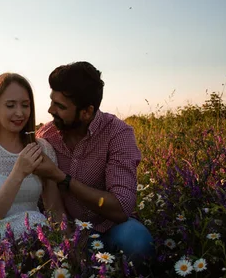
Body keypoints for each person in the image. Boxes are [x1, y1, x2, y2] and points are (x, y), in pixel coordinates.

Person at [32, 61, 154, 261]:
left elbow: (121, 208)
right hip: (64, 229)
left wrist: (63, 179)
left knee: (137, 241)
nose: (50, 109)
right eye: (52, 101)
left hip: (109, 229)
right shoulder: (47, 135)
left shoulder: (118, 134)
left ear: (86, 112)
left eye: (60, 106)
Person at [0, 73, 65, 242]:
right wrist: (19, 172)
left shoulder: (43, 148)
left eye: (25, 105)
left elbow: (54, 209)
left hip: (34, 235)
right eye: (10, 105)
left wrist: (66, 244)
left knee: (38, 223)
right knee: (35, 220)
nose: (19, 113)